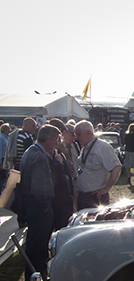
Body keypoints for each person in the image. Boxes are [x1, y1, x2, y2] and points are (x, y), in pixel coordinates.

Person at [20, 124, 60, 280]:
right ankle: (36, 275)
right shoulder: (39, 156)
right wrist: (45, 206)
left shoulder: (30, 151)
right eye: (56, 140)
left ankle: (32, 273)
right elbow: (38, 188)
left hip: (31, 205)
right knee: (38, 245)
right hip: (38, 207)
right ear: (48, 138)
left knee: (33, 244)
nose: (56, 143)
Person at [74, 120, 122, 210]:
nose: (76, 138)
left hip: (96, 197)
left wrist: (107, 188)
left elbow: (116, 167)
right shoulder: (85, 147)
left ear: (88, 133)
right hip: (83, 196)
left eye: (79, 134)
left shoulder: (102, 147)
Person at [8, 117, 36, 227]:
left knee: (19, 193)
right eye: (33, 126)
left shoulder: (16, 135)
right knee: (24, 195)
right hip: (24, 170)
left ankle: (21, 217)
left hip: (16, 167)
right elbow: (29, 154)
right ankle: (23, 217)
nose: (35, 128)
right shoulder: (26, 137)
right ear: (27, 125)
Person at [58, 123, 80, 211]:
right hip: (65, 184)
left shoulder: (75, 145)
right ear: (64, 134)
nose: (73, 138)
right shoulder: (58, 147)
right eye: (71, 135)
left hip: (75, 181)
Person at [0, 123, 11, 189]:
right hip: (2, 160)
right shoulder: (1, 138)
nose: (10, 131)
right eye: (8, 129)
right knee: (2, 179)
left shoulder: (5, 138)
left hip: (5, 160)